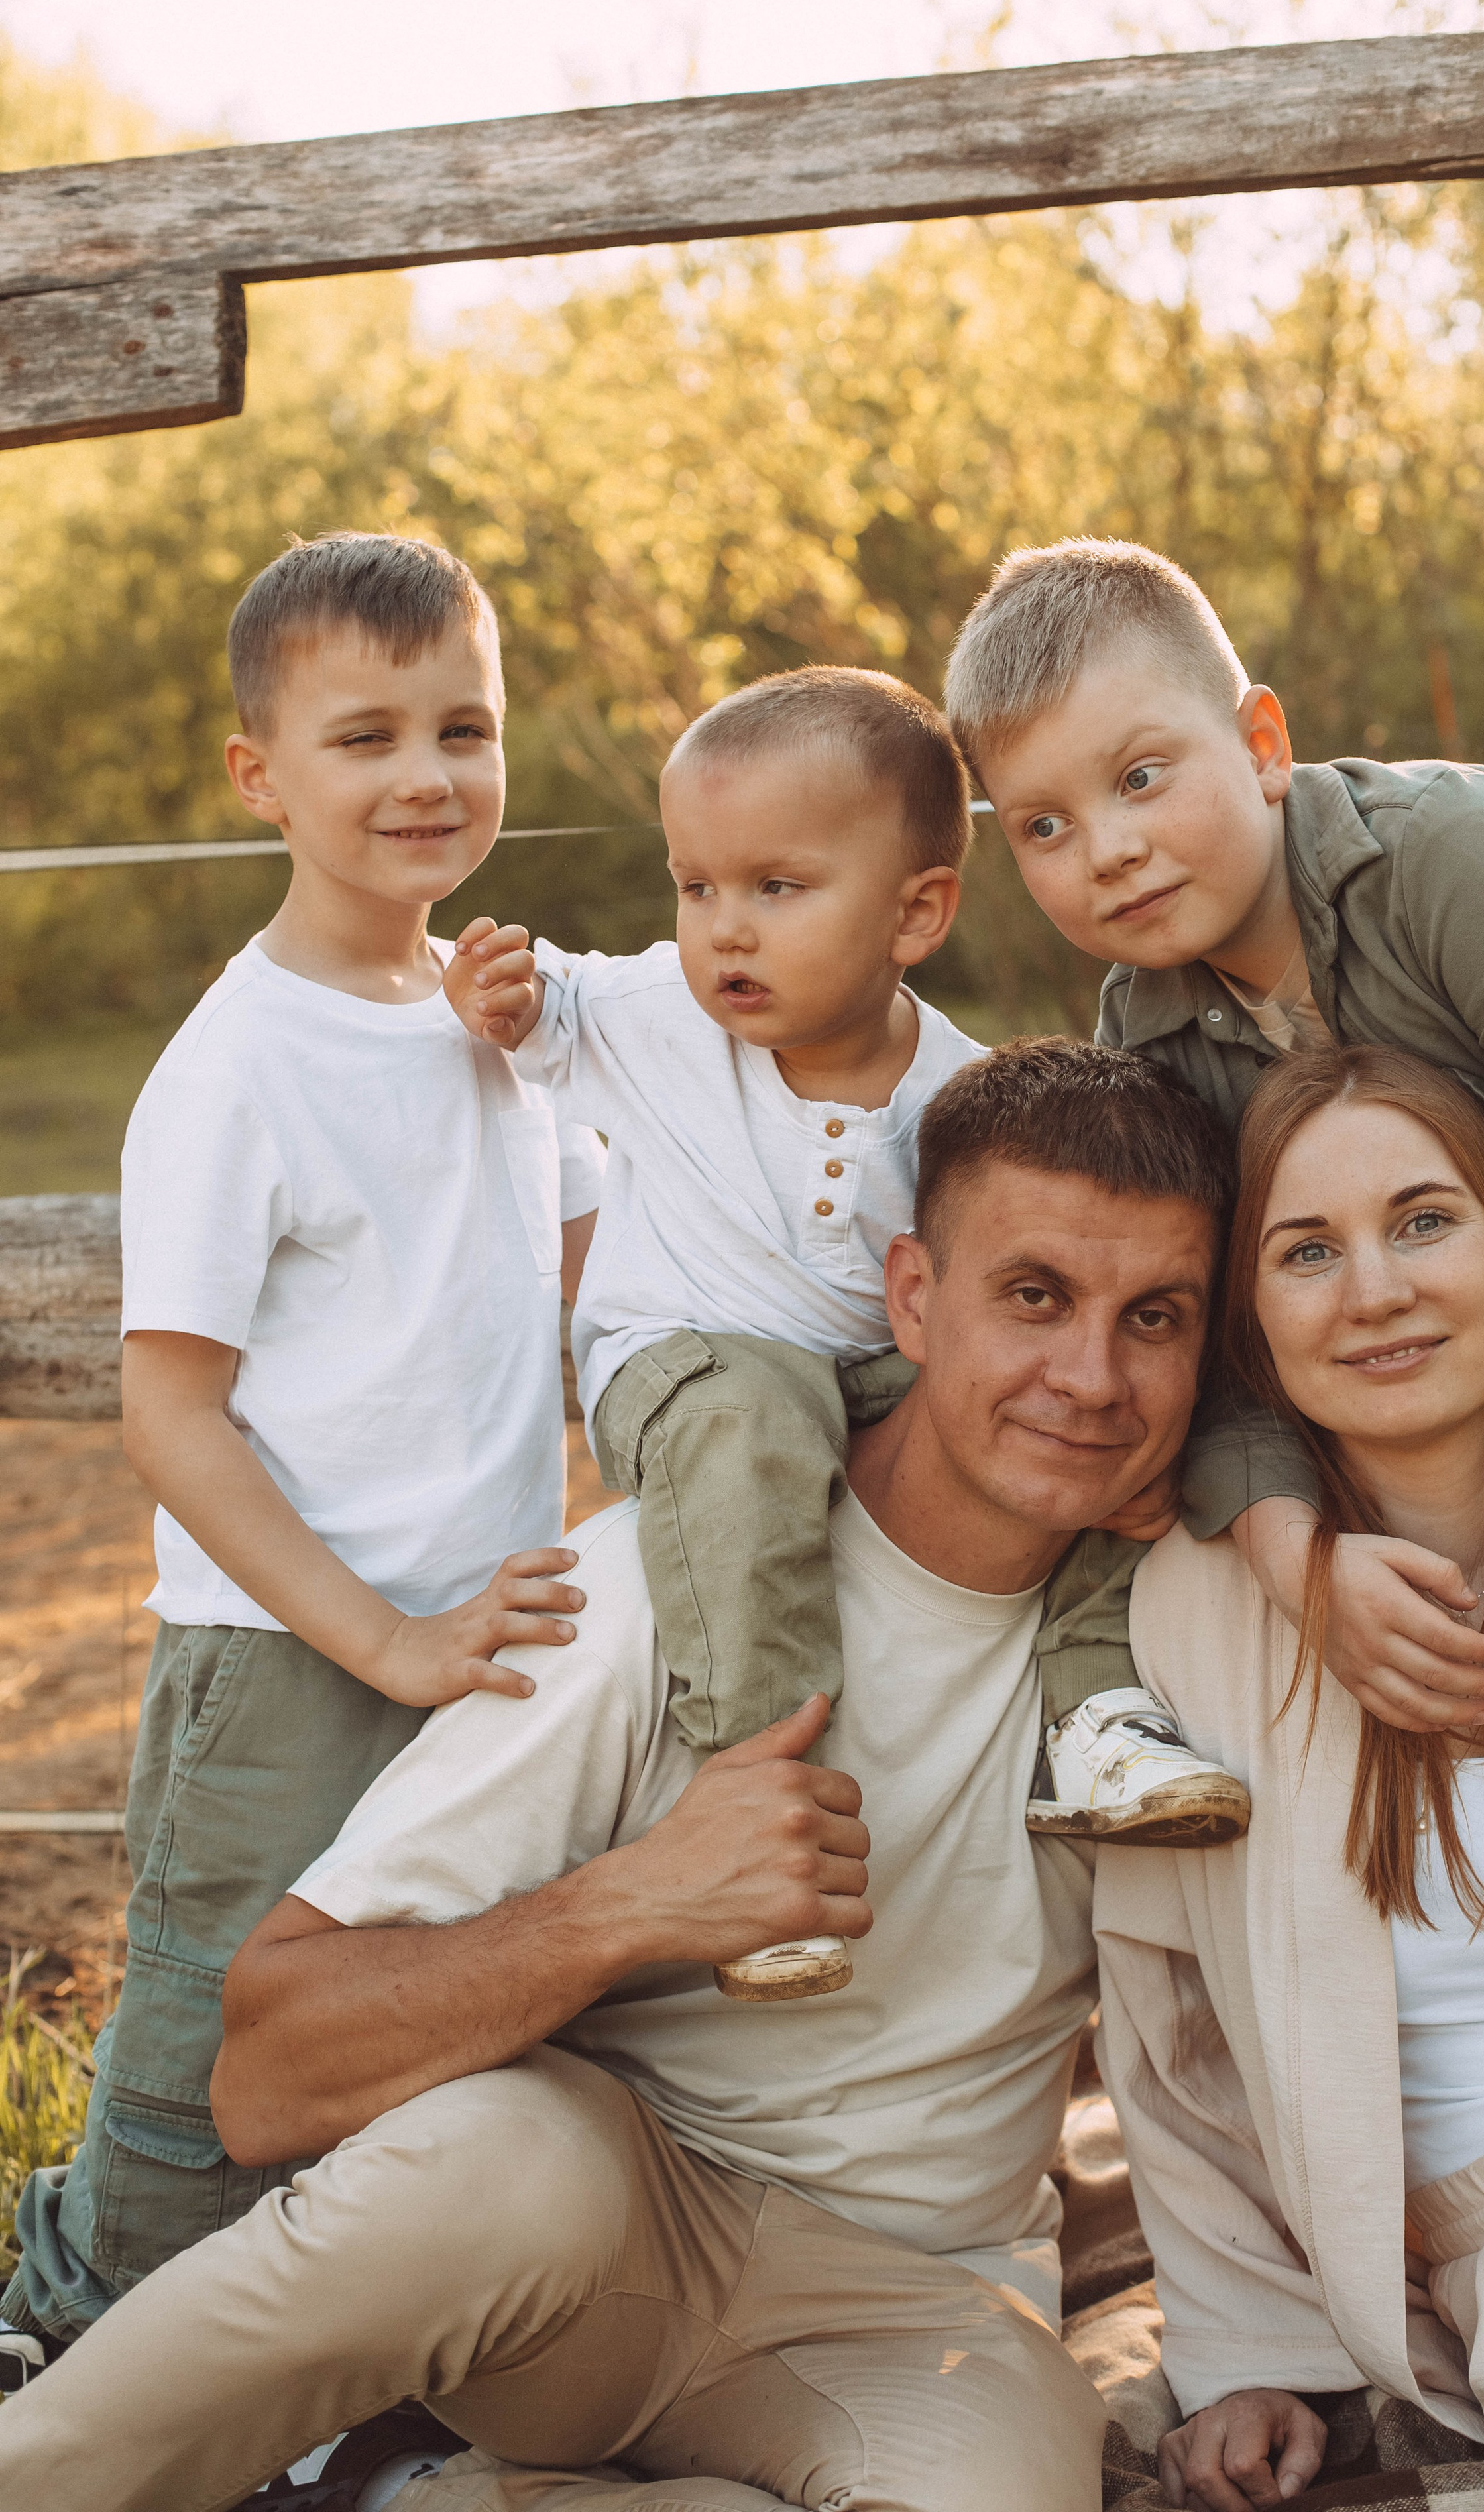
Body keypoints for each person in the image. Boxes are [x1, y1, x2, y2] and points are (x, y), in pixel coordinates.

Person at [0, 1039, 1244, 2512]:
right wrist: (631, 1905)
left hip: (910, 2307)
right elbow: (267, 2078)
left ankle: (396, 2497)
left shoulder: (1176, 1651)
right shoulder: (664, 1593)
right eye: (1032, 1297)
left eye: (1150, 1318)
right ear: (911, 1296)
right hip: (583, 2251)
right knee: (500, 2165)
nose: (1090, 1378)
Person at [0, 534, 609, 2373]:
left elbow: (595, 1294)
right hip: (291, 1669)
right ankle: (63, 2323)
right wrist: (382, 1642)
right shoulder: (237, 1063)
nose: (426, 775)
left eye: (464, 727)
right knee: (202, 2085)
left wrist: (546, 1045)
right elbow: (167, 1416)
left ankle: (321, 2388)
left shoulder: (504, 1025)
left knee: (409, 2051)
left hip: (480, 1663)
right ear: (261, 777)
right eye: (365, 738)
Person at [447, 669, 1245, 2002]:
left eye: (775, 888)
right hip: (685, 1358)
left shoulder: (956, 1095)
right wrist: (502, 993)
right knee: (750, 1436)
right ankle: (753, 1799)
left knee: (1071, 1444)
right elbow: (552, 1015)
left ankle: (1099, 1715)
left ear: (916, 909)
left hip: (860, 1369)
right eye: (694, 886)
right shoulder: (654, 1016)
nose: (721, 932)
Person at [946, 534, 1484, 1750]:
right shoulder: (1147, 1039)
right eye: (1043, 826)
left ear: (1263, 746)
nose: (1109, 851)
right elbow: (1211, 1342)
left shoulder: (1463, 865)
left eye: (1141, 777)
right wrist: (1300, 1563)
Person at [1092, 1046, 1484, 2512]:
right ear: (1254, 1314)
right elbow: (1171, 2034)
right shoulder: (1202, 1610)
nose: (1373, 1291)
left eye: (1423, 1221)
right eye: (1307, 1252)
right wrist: (1249, 2348)